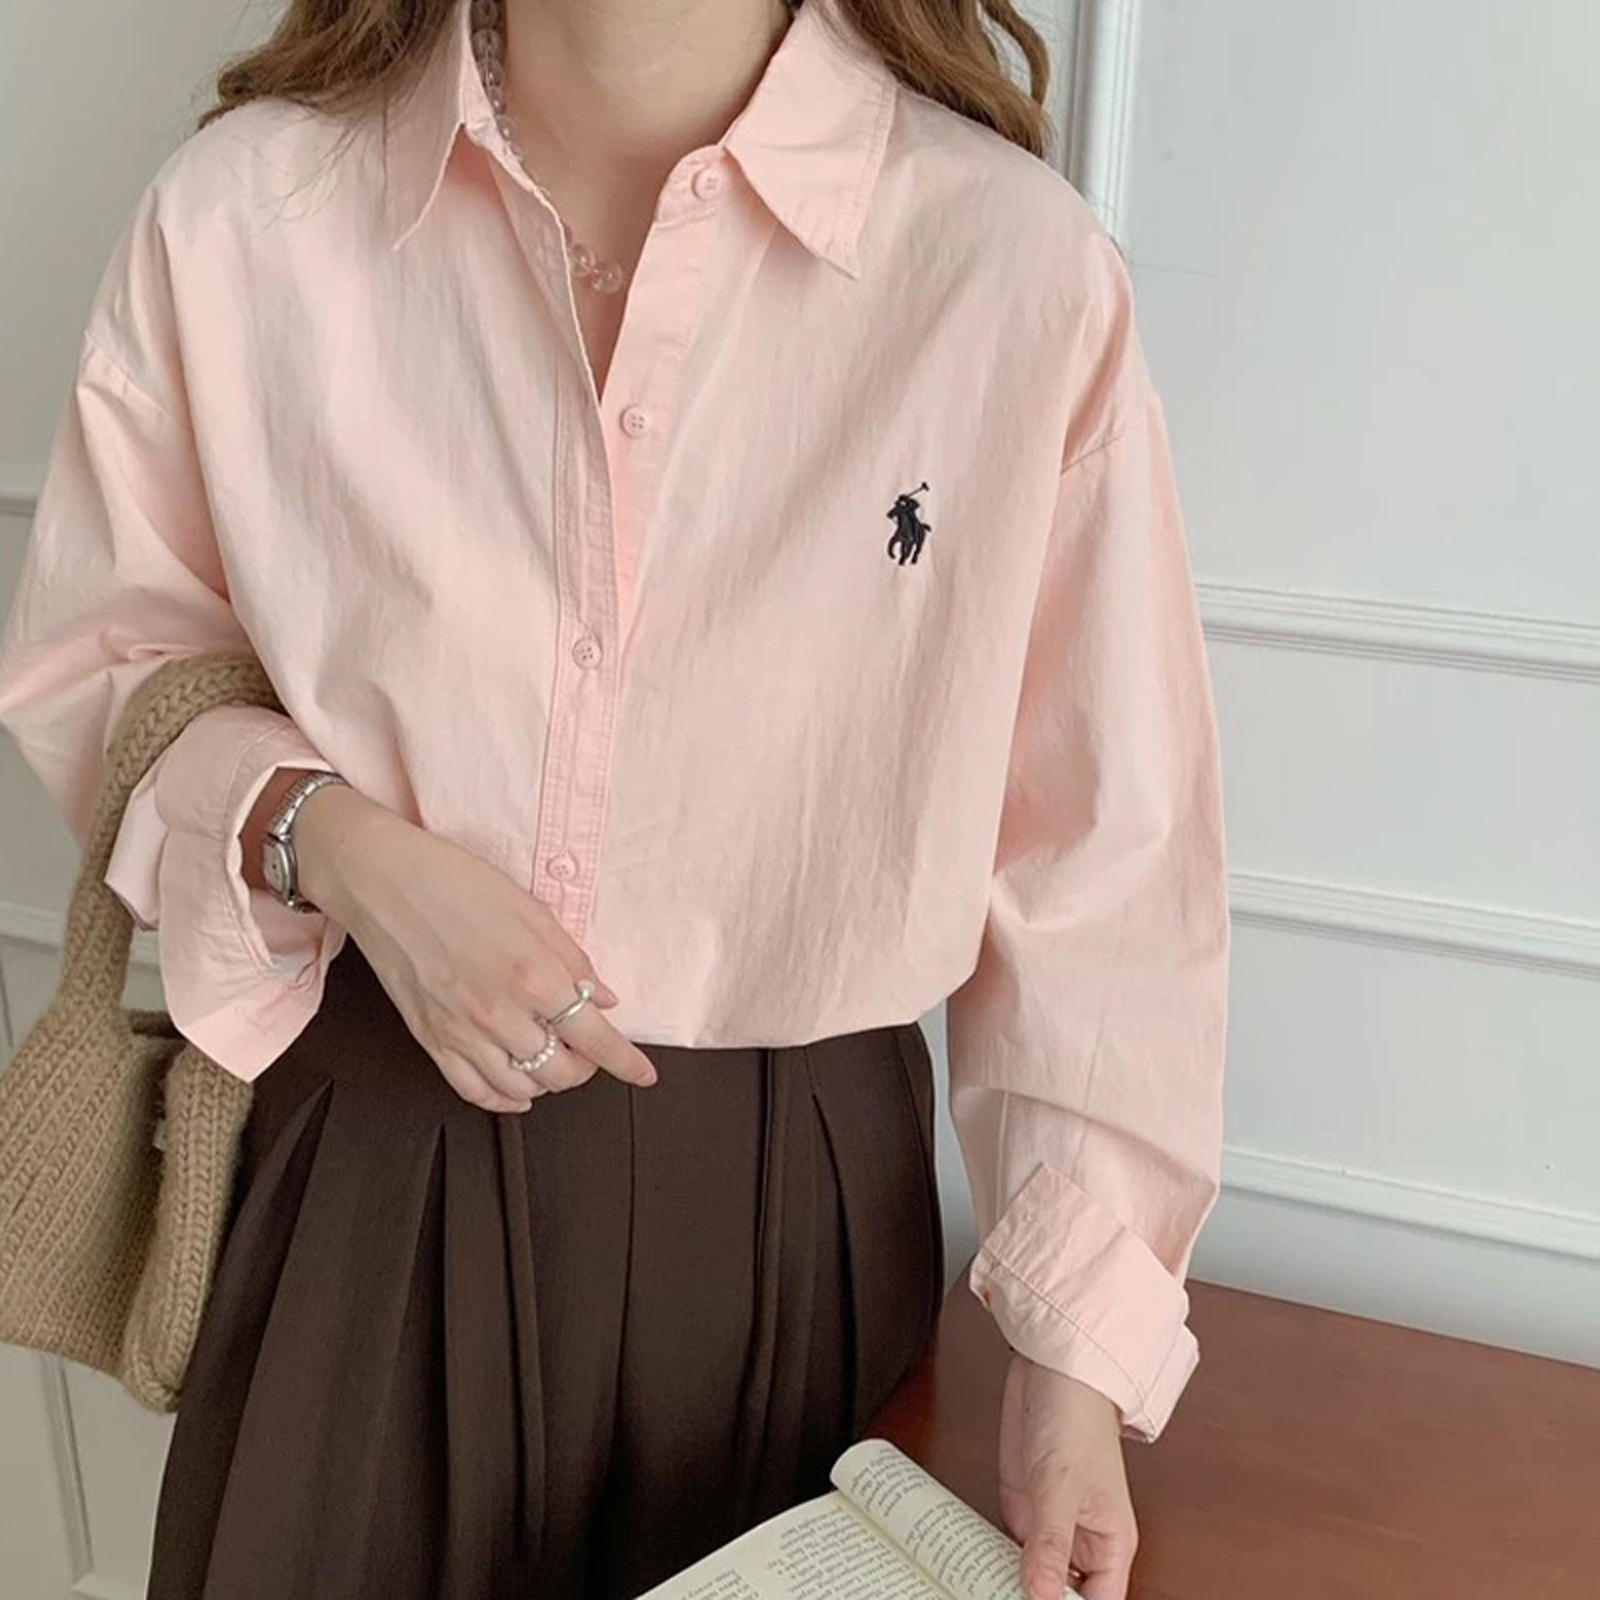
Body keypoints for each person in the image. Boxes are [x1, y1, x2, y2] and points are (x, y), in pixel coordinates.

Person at [0, 0, 1230, 1594]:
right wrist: (336, 844)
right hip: (360, 1179)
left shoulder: (1006, 267)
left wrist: (1071, 1384)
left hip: (789, 1237)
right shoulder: (248, 217)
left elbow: (1101, 871)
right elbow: (110, 660)